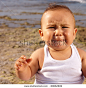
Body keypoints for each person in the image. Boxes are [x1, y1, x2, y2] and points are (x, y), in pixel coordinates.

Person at [14, 4, 86, 84]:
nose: (58, 32)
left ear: (73, 33)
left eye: (64, 27)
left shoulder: (81, 55)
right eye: (51, 27)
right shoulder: (39, 55)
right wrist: (22, 69)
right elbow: (26, 76)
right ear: (42, 34)